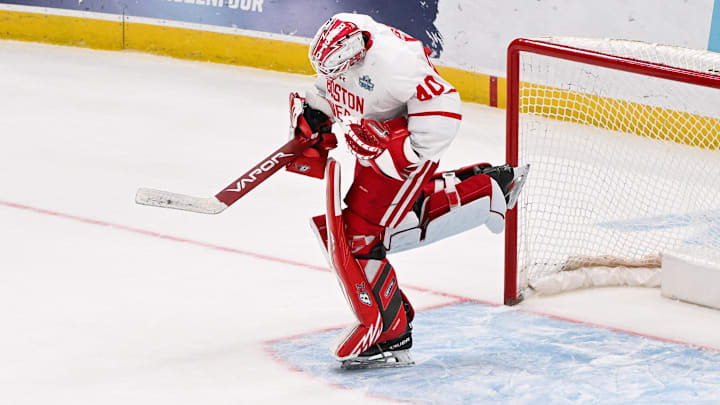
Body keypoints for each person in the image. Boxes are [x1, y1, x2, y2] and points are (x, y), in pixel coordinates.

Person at [287, 13, 527, 369]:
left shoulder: (397, 65)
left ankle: (390, 331)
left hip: (404, 148)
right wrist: (315, 113)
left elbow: (445, 107)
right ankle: (486, 186)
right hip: (374, 139)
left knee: (361, 237)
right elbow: (333, 85)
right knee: (367, 229)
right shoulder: (342, 40)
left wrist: (396, 153)